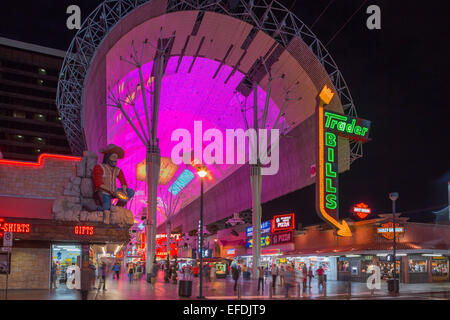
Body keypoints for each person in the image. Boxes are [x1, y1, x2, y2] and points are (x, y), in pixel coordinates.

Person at [93, 144, 135, 211]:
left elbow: (123, 182)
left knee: (130, 191)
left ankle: (117, 208)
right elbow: (98, 183)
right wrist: (110, 191)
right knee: (106, 208)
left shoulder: (117, 170)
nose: (115, 159)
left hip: (114, 191)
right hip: (104, 192)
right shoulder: (99, 167)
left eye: (116, 157)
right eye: (113, 157)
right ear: (108, 157)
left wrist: (124, 190)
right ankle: (98, 209)